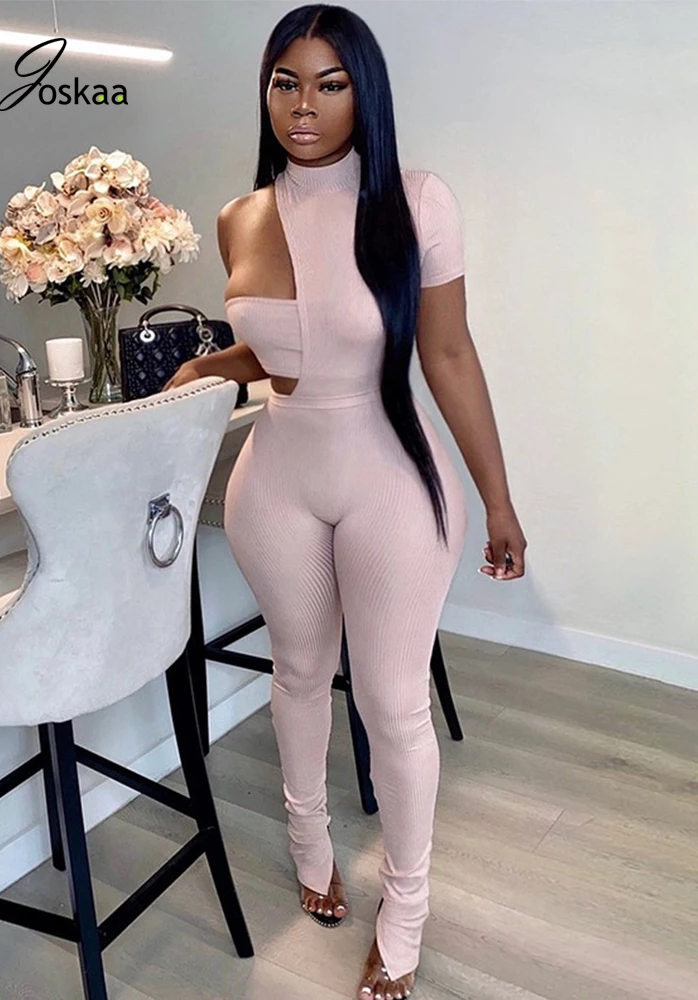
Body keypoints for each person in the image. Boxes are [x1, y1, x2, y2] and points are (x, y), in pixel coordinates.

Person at [164, 5, 527, 998]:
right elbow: (290, 343)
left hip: (388, 474)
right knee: (296, 670)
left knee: (390, 704)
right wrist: (215, 361)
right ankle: (309, 843)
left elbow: (446, 352)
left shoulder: (416, 200)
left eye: (331, 83)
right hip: (275, 478)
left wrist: (499, 500)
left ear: (365, 92)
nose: (305, 105)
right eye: (286, 82)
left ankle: (404, 907)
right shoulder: (240, 215)